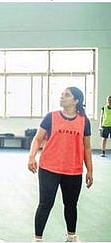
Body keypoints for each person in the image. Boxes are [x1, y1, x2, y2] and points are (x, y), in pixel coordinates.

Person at [28, 87, 93, 242]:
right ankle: (38, 239)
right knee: (45, 204)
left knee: (71, 205)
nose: (62, 97)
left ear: (76, 101)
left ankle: (71, 236)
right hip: (49, 168)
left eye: (66, 95)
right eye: (62, 94)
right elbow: (38, 139)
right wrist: (32, 157)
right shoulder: (51, 117)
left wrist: (90, 170)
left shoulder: (84, 121)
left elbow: (87, 147)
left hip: (74, 170)